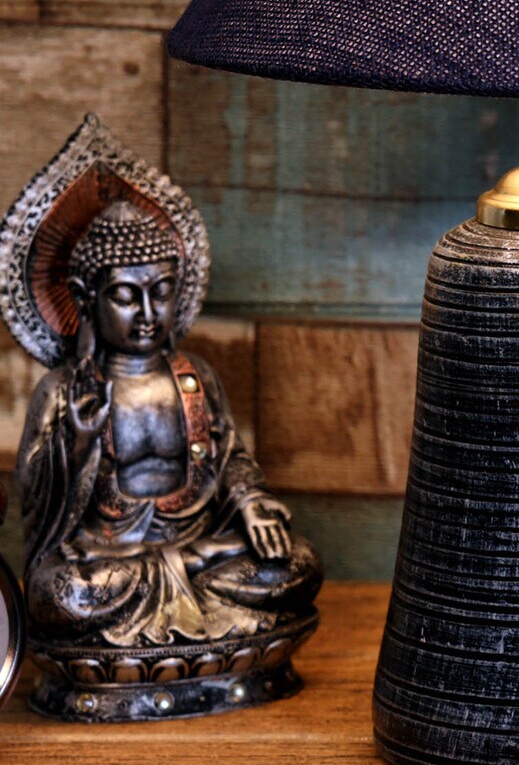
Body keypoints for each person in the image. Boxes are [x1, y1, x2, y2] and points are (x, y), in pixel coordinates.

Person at [18, 200, 322, 647]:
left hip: (197, 535)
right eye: (126, 296)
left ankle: (189, 570)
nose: (147, 313)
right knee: (58, 594)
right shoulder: (63, 390)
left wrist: (249, 501)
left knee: (299, 562)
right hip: (109, 556)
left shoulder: (196, 377)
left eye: (160, 293)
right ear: (85, 298)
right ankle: (194, 571)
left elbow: (230, 455)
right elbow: (32, 499)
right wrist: (78, 442)